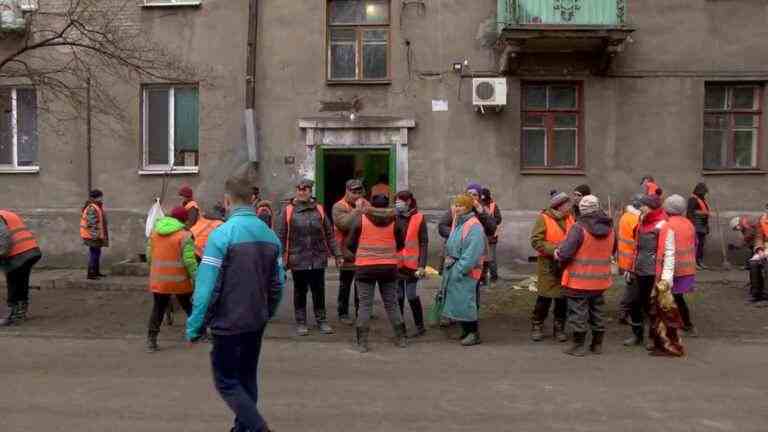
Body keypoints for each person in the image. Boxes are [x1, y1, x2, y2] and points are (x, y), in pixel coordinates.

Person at [186, 175, 284, 432]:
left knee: (227, 381)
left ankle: (258, 428)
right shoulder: (270, 236)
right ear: (252, 200)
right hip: (256, 320)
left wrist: (195, 326)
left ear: (227, 201)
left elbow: (205, 288)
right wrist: (267, 311)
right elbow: (278, 284)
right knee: (247, 377)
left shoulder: (222, 235)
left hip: (228, 323)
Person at [624, 189, 685, 357]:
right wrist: (630, 269)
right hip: (639, 272)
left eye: (643, 205)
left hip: (654, 275)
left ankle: (655, 338)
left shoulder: (663, 225)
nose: (640, 208)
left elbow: (669, 253)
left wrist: (665, 279)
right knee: (634, 303)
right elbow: (636, 248)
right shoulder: (642, 222)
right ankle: (637, 335)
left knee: (652, 308)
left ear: (651, 207)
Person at [279, 179, 342, 336]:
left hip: (317, 258)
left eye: (305, 189)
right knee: (300, 291)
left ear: (310, 191)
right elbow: (280, 235)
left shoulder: (319, 210)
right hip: (297, 258)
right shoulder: (288, 211)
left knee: (318, 290)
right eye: (299, 189)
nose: (302, 192)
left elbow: (329, 234)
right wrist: (279, 256)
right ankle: (301, 322)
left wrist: (337, 254)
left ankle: (321, 320)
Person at [344, 194, 405, 353]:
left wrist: (363, 252)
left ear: (371, 205)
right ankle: (401, 338)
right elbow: (401, 244)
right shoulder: (395, 221)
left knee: (365, 305)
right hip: (389, 267)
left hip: (365, 268)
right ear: (387, 206)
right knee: (392, 303)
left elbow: (349, 244)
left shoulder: (361, 220)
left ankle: (362, 342)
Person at [556, 195, 615, 356]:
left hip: (578, 280)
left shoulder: (578, 228)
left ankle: (578, 345)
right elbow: (613, 250)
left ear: (582, 210)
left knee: (578, 312)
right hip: (600, 280)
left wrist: (558, 254)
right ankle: (597, 344)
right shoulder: (610, 227)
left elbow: (565, 253)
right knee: (597, 310)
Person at [332, 179, 393, 324]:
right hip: (346, 251)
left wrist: (371, 210)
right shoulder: (339, 206)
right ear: (347, 191)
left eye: (360, 192)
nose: (357, 195)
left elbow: (377, 219)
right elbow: (344, 225)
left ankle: (362, 311)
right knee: (345, 284)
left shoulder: (367, 204)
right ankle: (343, 313)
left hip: (363, 251)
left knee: (362, 283)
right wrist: (358, 210)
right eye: (354, 192)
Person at [146, 206, 197, 353]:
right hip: (179, 280)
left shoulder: (155, 233)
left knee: (158, 309)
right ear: (184, 219)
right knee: (189, 307)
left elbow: (149, 257)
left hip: (159, 280)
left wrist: (156, 270)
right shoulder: (185, 235)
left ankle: (151, 340)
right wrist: (196, 278)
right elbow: (189, 261)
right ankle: (199, 333)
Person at [440, 194, 487, 346]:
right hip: (456, 268)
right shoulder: (458, 222)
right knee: (459, 302)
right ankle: (466, 331)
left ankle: (474, 333)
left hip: (466, 271)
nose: (457, 208)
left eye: (460, 205)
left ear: (467, 207)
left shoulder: (474, 226)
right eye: (455, 205)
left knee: (466, 302)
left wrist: (460, 269)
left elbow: (472, 252)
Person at [530, 191, 574, 342]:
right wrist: (553, 250)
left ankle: (559, 328)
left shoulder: (570, 219)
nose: (570, 206)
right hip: (548, 264)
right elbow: (536, 240)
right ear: (559, 206)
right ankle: (537, 325)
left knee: (562, 299)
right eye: (567, 203)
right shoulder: (543, 218)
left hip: (565, 264)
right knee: (544, 297)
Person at [394, 190, 428, 337]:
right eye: (396, 201)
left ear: (408, 202)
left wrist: (422, 265)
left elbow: (423, 242)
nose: (397, 203)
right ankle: (400, 327)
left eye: (399, 201)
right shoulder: (395, 217)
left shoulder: (419, 218)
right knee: (398, 296)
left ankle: (420, 326)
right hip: (397, 263)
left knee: (411, 295)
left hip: (413, 265)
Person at [0, 210, 42, 326]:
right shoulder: (7, 213)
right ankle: (20, 313)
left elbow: (4, 237)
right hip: (31, 250)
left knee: (13, 283)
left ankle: (10, 316)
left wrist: (1, 254)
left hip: (18, 254)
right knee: (21, 282)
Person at [665, 194, 699, 337]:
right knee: (678, 297)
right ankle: (687, 325)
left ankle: (676, 327)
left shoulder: (667, 224)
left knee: (669, 299)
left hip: (671, 268)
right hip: (687, 267)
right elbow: (696, 244)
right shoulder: (689, 224)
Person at [438, 183, 497, 251]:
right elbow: (442, 226)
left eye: (475, 195)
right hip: (455, 249)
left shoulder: (483, 209)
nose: (471, 196)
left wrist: (482, 213)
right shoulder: (457, 208)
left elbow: (492, 228)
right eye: (469, 194)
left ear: (479, 198)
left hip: (477, 250)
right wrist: (457, 235)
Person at [616, 194, 643, 324]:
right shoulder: (637, 220)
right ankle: (624, 312)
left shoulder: (625, 217)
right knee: (633, 289)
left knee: (632, 287)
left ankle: (626, 311)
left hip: (625, 259)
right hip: (633, 260)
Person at [80, 189, 108, 280]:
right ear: (97, 197)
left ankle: (96, 272)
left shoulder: (96, 206)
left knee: (96, 253)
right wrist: (96, 236)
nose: (102, 198)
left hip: (94, 234)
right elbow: (91, 223)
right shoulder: (92, 207)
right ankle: (91, 273)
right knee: (94, 254)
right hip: (92, 235)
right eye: (101, 196)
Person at [480, 188, 502, 283]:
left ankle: (494, 276)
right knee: (482, 258)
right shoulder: (478, 206)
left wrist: (490, 220)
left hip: (491, 236)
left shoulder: (493, 205)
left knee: (491, 258)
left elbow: (499, 219)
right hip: (481, 235)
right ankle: (482, 277)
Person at [687, 182, 710, 270]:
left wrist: (707, 226)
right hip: (696, 225)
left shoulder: (702, 200)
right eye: (703, 192)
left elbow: (705, 213)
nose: (704, 194)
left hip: (703, 226)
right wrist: (691, 226)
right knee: (695, 245)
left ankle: (699, 261)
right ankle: (694, 262)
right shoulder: (693, 199)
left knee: (701, 245)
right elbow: (689, 214)